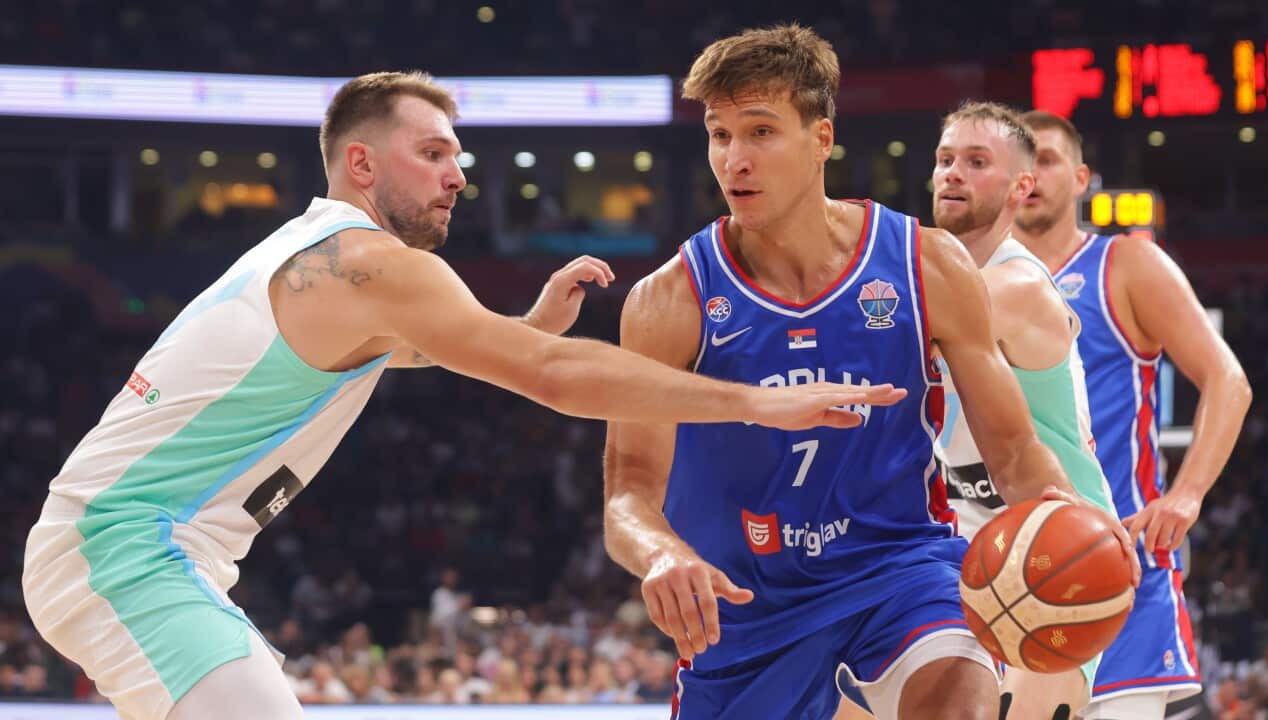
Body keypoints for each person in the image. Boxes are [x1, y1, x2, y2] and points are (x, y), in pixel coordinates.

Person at [19, 71, 900, 720]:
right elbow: (551, 381)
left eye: (458, 155)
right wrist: (755, 401)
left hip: (136, 547)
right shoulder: (370, 263)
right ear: (362, 162)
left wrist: (524, 324)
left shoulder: (320, 256)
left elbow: (401, 354)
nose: (458, 174)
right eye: (434, 153)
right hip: (124, 550)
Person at [602, 25, 1136, 720]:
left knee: (958, 695)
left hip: (900, 569)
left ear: (821, 139)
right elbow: (627, 498)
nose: (734, 158)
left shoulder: (928, 266)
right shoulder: (670, 300)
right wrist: (662, 554)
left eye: (760, 132)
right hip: (748, 604)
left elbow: (1014, 455)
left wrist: (1078, 520)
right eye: (719, 135)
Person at [1013, 109, 1252, 720]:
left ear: (1081, 177)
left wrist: (1188, 494)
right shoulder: (973, 277)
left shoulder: (1124, 265)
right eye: (1019, 162)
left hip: (1116, 571)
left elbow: (1228, 380)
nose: (1031, 175)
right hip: (1009, 576)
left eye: (1046, 159)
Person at [929, 101, 1122, 719]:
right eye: (946, 159)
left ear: (1021, 187)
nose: (953, 173)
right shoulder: (939, 271)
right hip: (962, 537)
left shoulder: (1014, 287)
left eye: (976, 162)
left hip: (1055, 551)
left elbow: (869, 333)